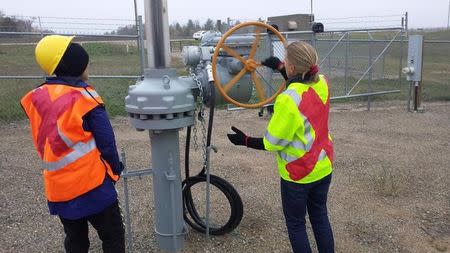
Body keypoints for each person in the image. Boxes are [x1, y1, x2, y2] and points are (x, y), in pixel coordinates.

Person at [20, 35, 125, 253]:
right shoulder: (84, 97)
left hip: (58, 188)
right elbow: (107, 142)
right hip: (92, 185)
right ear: (77, 65)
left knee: (75, 241)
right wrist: (115, 169)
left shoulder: (35, 97)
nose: (89, 65)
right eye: (86, 61)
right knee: (112, 235)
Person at [227, 41, 334, 253]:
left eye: (286, 61)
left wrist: (245, 140)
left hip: (298, 175)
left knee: (296, 225)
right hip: (324, 166)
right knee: (320, 216)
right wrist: (281, 69)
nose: (283, 63)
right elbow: (301, 90)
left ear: (292, 68)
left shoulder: (286, 100)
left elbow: (271, 143)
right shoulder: (322, 82)